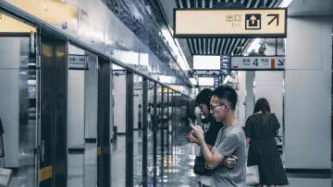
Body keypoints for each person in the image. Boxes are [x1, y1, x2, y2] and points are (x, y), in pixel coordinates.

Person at [190, 85, 246, 187]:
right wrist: (222, 162)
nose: (211, 112)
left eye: (213, 107)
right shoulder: (222, 130)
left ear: (225, 107)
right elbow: (210, 159)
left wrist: (201, 139)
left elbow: (211, 164)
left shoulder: (233, 134)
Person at [244, 98, 289, 187]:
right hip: (270, 148)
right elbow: (276, 132)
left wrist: (241, 151)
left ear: (256, 107)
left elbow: (248, 138)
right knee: (272, 178)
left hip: (255, 150)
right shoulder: (272, 117)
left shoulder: (251, 119)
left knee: (257, 178)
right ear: (267, 106)